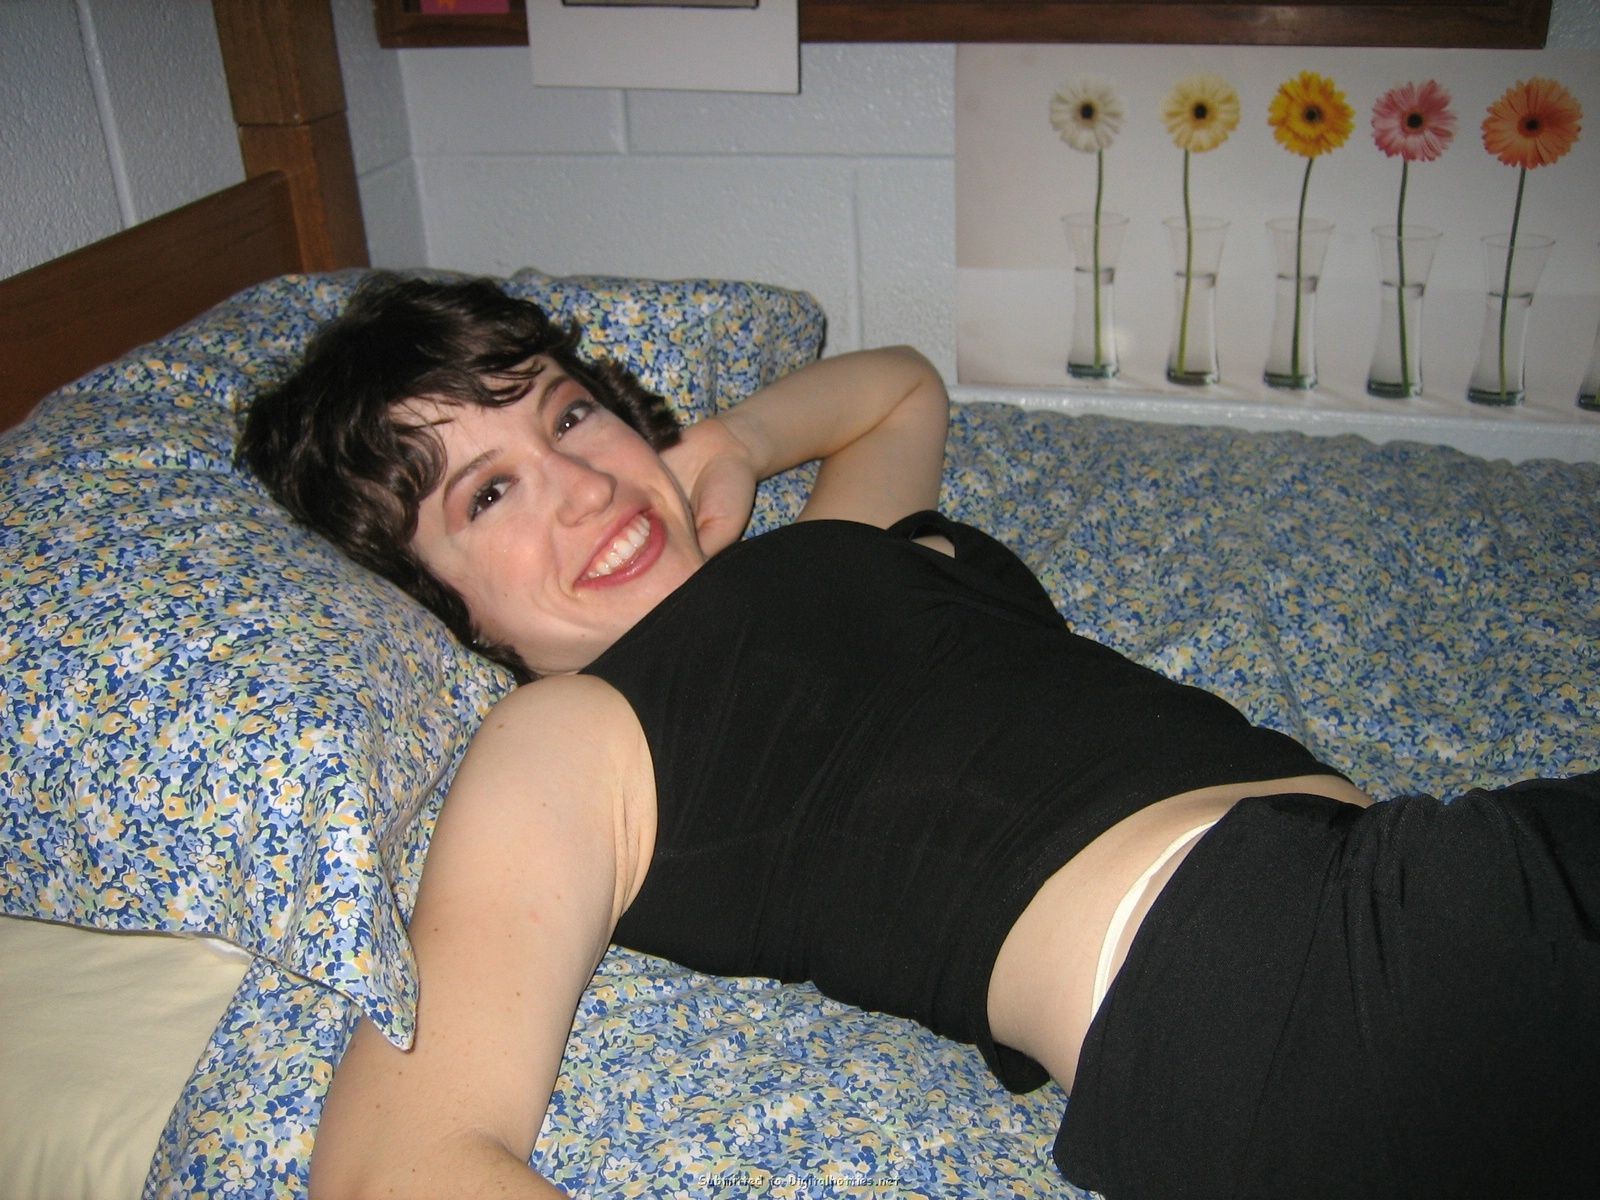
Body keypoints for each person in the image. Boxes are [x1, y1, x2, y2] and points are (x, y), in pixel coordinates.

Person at [239, 274, 1599, 1200]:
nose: (586, 487)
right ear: (447, 613)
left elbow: (900, 391)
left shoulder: (824, 556)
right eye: (489, 496)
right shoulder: (566, 731)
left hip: (1386, 918)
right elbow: (395, 1165)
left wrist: (732, 443)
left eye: (570, 414)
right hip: (1280, 978)